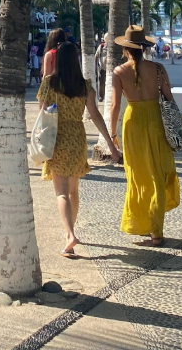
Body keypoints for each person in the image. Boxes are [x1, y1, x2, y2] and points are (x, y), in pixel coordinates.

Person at [38, 41, 121, 256]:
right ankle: (68, 236)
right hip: (77, 137)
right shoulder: (85, 86)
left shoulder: (50, 83)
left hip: (57, 136)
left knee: (61, 192)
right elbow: (95, 116)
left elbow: (43, 111)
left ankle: (69, 233)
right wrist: (111, 145)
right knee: (73, 191)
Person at [108, 26, 180, 246]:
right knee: (157, 175)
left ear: (125, 49)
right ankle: (156, 230)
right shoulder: (158, 69)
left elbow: (114, 106)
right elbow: (168, 97)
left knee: (137, 176)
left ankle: (143, 224)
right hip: (156, 121)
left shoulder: (119, 72)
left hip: (133, 123)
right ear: (145, 48)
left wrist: (112, 134)